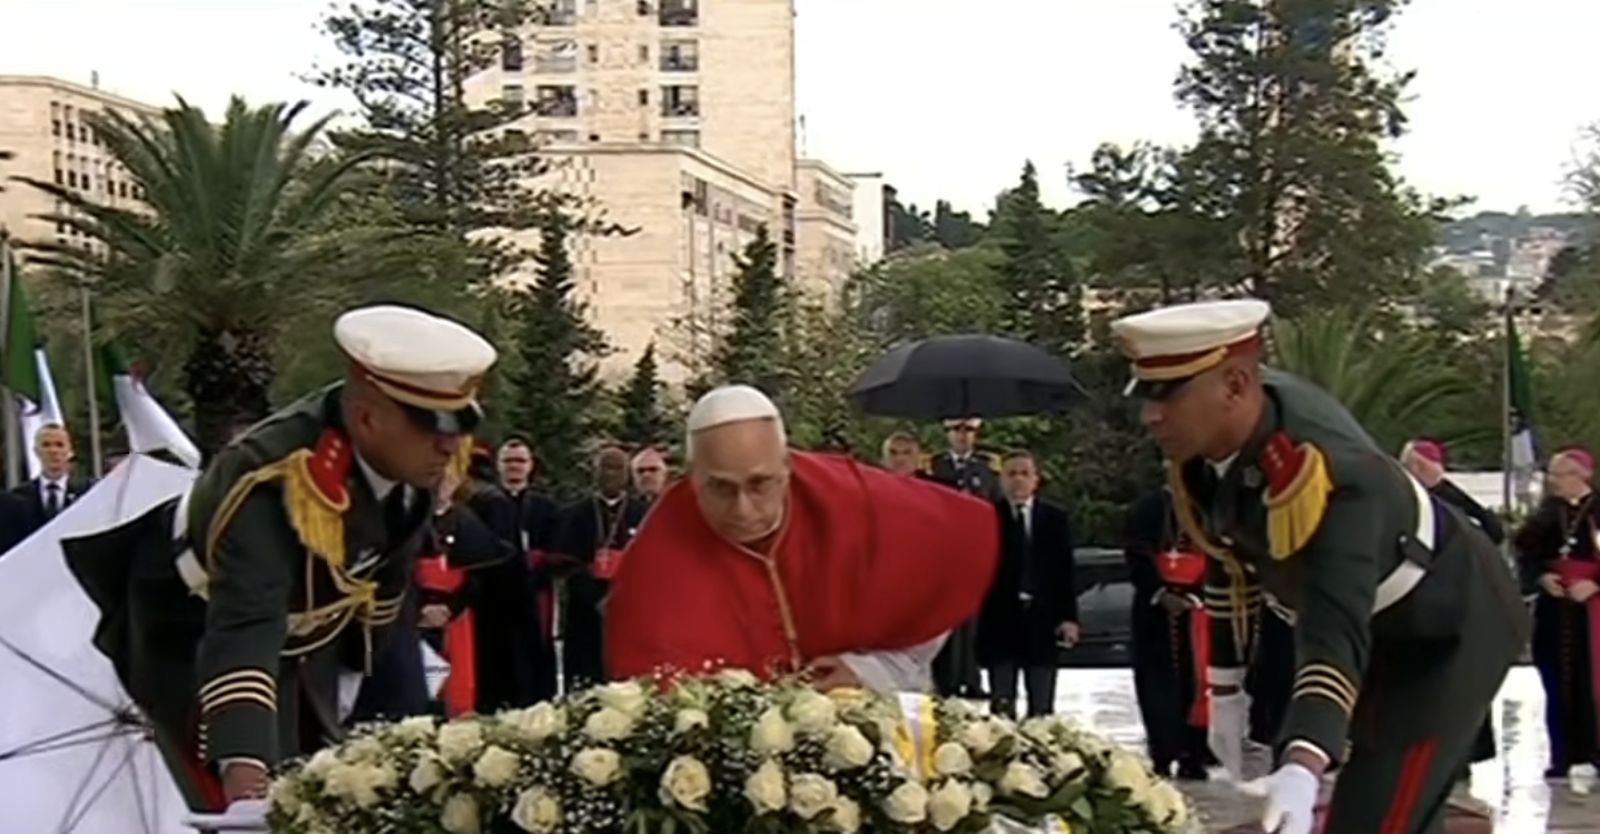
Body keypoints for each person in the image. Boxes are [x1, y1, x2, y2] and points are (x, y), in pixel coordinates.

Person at [62, 305, 498, 822]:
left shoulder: (411, 460)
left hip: (306, 630)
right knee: (248, 801)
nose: (450, 447)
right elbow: (244, 628)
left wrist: (371, 702)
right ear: (367, 419)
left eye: (457, 426)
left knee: (342, 785)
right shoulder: (272, 486)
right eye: (432, 429)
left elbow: (384, 586)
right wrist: (246, 779)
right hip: (193, 625)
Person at [1111, 298, 1528, 834]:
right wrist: (1226, 687)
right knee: (1380, 807)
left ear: (1235, 386)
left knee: (1380, 811)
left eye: (1169, 395)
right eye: (1146, 396)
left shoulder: (1332, 481)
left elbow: (1333, 632)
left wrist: (1301, 765)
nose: (1151, 416)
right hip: (1379, 621)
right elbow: (1227, 555)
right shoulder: (1212, 445)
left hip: (1450, 626)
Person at [605, 385, 998, 692]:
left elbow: (943, 563)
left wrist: (869, 670)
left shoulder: (858, 501)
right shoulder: (660, 554)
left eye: (760, 484)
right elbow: (651, 678)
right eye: (721, 488)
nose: (743, 509)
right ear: (692, 478)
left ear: (786, 466)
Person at [1400, 437, 1504, 781]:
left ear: (1420, 466)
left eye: (1408, 464)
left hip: (1456, 603)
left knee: (1458, 681)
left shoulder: (1453, 500)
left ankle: (1460, 755)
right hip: (1420, 604)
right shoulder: (1410, 499)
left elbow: (1493, 531)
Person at [1513, 447, 1600, 779]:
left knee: (1592, 680)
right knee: (1555, 679)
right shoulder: (1548, 512)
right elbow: (1526, 552)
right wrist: (1541, 577)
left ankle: (1595, 752)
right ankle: (1563, 754)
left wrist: (1594, 584)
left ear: (1581, 475)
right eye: (1551, 475)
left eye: (1558, 475)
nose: (1552, 482)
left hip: (1592, 607)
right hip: (1556, 605)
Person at [977, 450, 1077, 718]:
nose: (1018, 480)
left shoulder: (1055, 518)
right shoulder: (987, 516)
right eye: (1011, 474)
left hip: (1042, 621)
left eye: (1024, 473)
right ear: (1001, 479)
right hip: (1000, 621)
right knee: (1001, 706)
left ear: (1036, 479)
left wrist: (1068, 618)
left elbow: (1064, 571)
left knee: (1042, 707)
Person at [1124, 487, 1211, 781]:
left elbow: (1220, 554)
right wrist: (1160, 593)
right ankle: (1161, 752)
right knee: (1156, 683)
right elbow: (1136, 553)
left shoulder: (1208, 505)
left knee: (1198, 683)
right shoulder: (1147, 507)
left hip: (1198, 610)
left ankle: (1194, 755)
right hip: (1154, 612)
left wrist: (1197, 595)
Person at [553, 446, 650, 690]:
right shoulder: (574, 514)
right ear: (594, 473)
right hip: (585, 608)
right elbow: (564, 562)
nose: (610, 474)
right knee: (585, 676)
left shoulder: (643, 514)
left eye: (617, 468)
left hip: (630, 607)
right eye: (605, 468)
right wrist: (594, 593)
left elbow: (651, 563)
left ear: (627, 474)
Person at [926, 416, 999, 699]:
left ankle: (971, 676)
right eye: (956, 430)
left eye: (968, 430)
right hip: (943, 551)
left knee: (973, 620)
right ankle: (947, 679)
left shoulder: (987, 467)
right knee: (945, 620)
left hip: (975, 551)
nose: (962, 436)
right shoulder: (933, 467)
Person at [13, 423, 92, 535]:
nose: (53, 451)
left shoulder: (87, 492)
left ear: (70, 451)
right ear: (36, 451)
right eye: (46, 445)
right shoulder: (17, 498)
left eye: (59, 445)